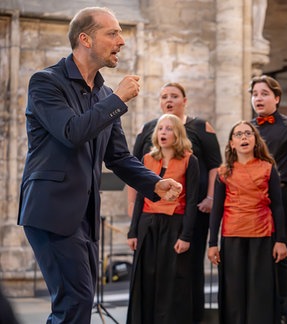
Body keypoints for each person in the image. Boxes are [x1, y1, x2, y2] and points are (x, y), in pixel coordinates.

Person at [17, 7, 182, 323]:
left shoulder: (104, 94)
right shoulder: (46, 82)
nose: (121, 41)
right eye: (113, 33)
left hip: (85, 216)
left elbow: (118, 156)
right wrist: (118, 100)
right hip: (51, 210)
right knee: (74, 302)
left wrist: (154, 183)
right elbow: (71, 133)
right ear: (85, 39)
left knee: (78, 302)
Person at [129, 82, 221, 322]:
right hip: (151, 215)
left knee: (185, 271)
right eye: (164, 96)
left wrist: (210, 198)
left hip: (190, 212)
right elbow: (134, 173)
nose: (168, 100)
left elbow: (215, 166)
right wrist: (133, 215)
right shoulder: (149, 129)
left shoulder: (200, 127)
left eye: (174, 96)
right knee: (149, 272)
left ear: (184, 100)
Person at [207, 121, 287, 324]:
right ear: (232, 143)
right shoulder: (224, 171)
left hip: (261, 234)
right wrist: (212, 243)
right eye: (238, 134)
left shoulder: (268, 169)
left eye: (248, 133)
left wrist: (281, 240)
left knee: (259, 289)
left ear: (255, 140)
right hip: (232, 234)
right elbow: (217, 209)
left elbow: (278, 206)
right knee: (234, 290)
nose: (244, 137)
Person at [126, 114, 199, 323]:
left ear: (178, 134)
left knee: (172, 279)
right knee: (145, 277)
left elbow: (192, 200)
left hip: (174, 224)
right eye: (160, 129)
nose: (163, 132)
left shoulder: (189, 160)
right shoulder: (147, 159)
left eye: (169, 129)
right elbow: (140, 197)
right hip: (147, 223)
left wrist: (186, 236)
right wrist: (133, 231)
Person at [249, 75, 287, 322]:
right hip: (253, 197)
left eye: (264, 93)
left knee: (280, 252)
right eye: (255, 94)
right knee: (258, 252)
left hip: (283, 195)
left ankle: (282, 309)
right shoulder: (248, 128)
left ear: (277, 98)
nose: (258, 98)